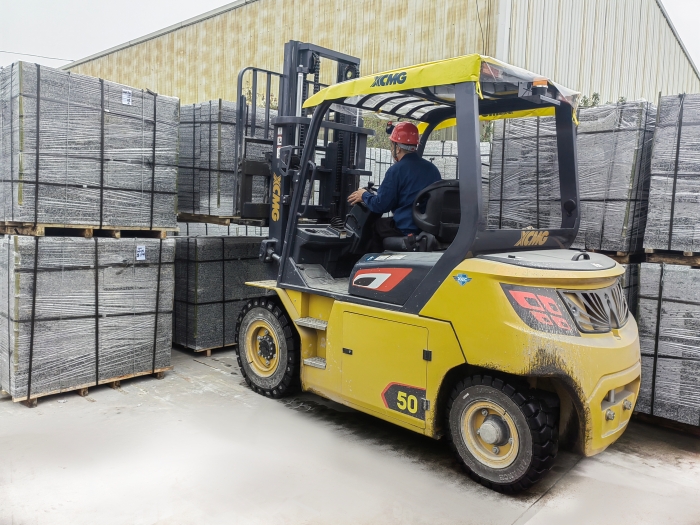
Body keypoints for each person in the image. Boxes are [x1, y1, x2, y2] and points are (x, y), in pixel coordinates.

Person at [347, 121, 441, 252]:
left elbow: (381, 205)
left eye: (392, 145)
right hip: (427, 227)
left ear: (398, 148)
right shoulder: (432, 169)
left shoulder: (396, 170)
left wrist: (364, 195)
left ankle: (372, 262)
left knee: (374, 226)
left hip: (406, 228)